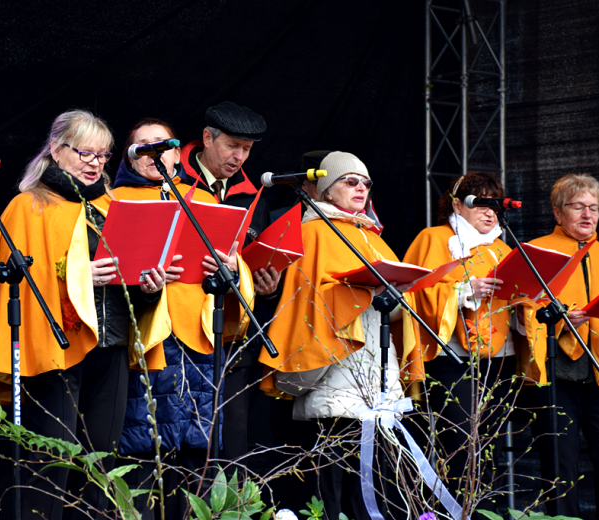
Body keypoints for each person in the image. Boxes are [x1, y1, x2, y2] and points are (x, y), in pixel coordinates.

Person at [0, 110, 166, 520]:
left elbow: (129, 280)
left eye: (102, 155)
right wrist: (82, 276)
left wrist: (150, 288)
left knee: (101, 471)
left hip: (111, 346)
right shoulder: (27, 207)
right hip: (54, 351)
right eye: (84, 152)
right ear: (56, 150)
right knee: (49, 469)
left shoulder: (113, 205)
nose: (94, 163)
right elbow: (17, 285)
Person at [259, 151, 421, 520]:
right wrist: (363, 293)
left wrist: (394, 299)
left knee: (373, 488)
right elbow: (309, 303)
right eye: (350, 181)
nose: (360, 188)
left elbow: (395, 313)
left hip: (377, 373)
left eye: (365, 183)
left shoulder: (371, 237)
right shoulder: (312, 231)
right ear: (328, 190)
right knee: (329, 488)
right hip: (334, 372)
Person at [112, 118, 255, 518]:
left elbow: (237, 270)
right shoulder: (112, 200)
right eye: (144, 145)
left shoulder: (206, 203)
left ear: (178, 154)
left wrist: (231, 269)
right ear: (129, 155)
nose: (155, 152)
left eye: (165, 144)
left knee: (196, 458)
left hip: (198, 343)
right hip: (146, 340)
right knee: (144, 453)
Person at [402, 172, 517, 507]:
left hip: (499, 359)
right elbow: (414, 293)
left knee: (486, 444)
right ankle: (459, 511)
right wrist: (467, 290)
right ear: (456, 204)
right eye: (480, 203)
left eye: (496, 205)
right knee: (460, 443)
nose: (490, 212)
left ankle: (484, 510)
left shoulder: (503, 247)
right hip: (450, 358)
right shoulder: (433, 238)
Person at [179, 101, 280, 460]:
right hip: (181, 330)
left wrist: (267, 286)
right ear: (207, 138)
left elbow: (258, 256)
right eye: (232, 146)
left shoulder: (253, 194)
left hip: (236, 335)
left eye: (247, 150)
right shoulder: (172, 180)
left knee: (233, 438)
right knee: (183, 436)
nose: (239, 157)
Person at [517, 173, 599, 518]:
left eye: (594, 208)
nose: (587, 215)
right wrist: (559, 320)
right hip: (555, 374)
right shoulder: (535, 253)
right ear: (558, 213)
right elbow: (522, 309)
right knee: (560, 461)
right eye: (578, 207)